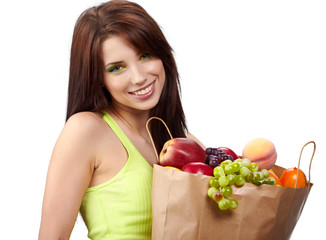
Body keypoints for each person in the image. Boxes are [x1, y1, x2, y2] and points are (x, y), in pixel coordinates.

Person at [38, 1, 205, 239]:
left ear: (163, 56)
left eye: (145, 55)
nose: (138, 78)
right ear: (97, 78)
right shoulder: (86, 130)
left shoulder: (184, 141)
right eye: (117, 68)